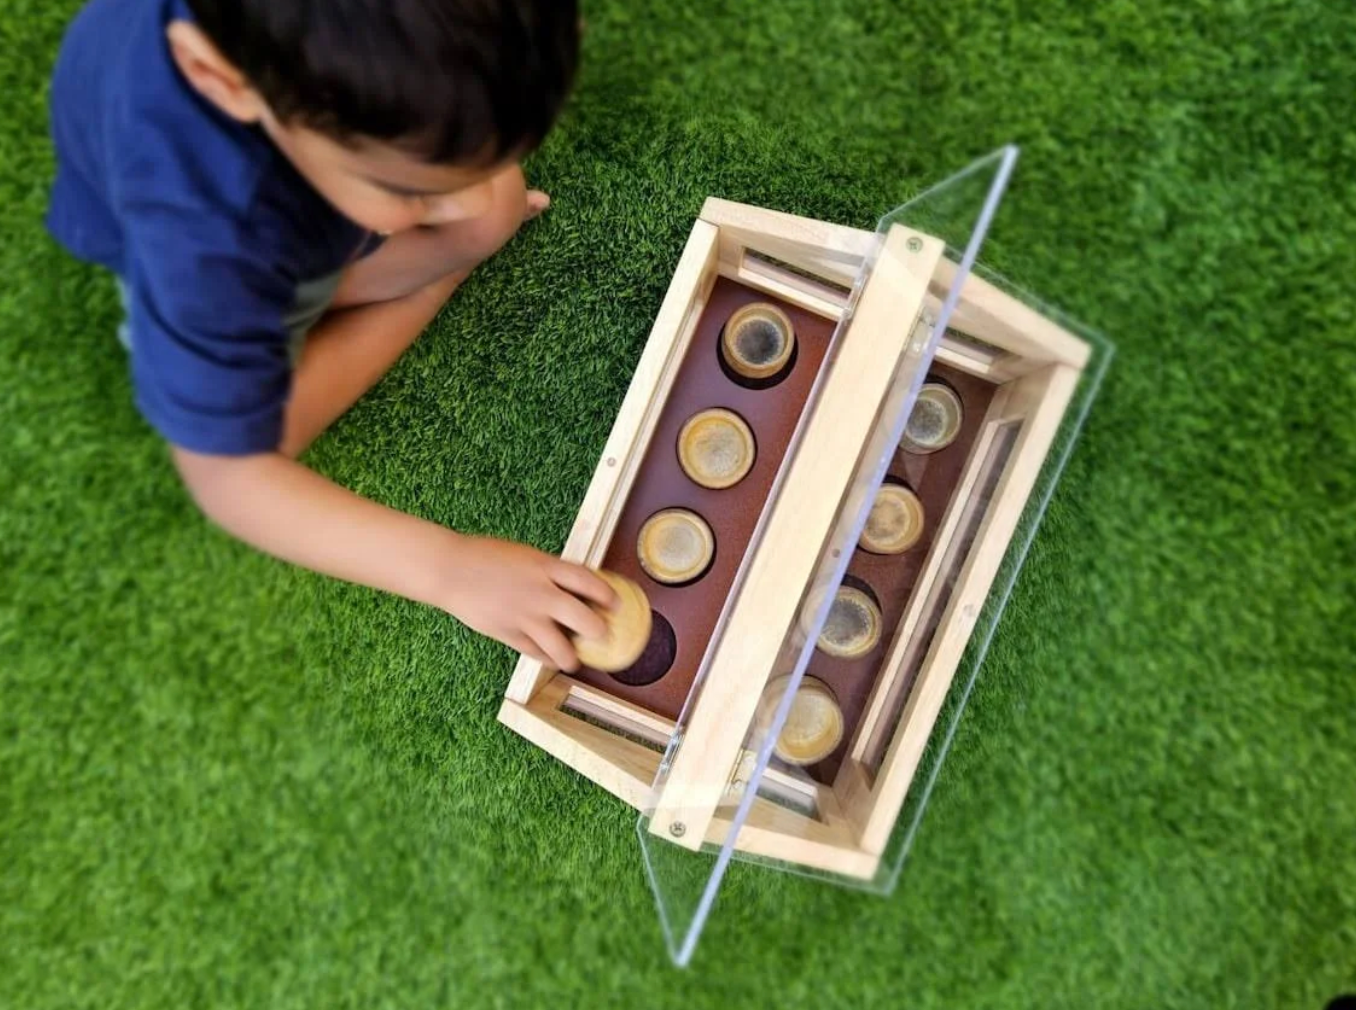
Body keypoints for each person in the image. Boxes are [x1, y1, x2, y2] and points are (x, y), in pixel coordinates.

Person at [45, 0, 616, 670]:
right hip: (214, 248)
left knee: (492, 215)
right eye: (410, 189)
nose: (463, 197)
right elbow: (228, 477)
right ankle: (411, 286)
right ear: (222, 79)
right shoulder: (210, 242)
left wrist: (436, 196)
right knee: (266, 426)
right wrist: (451, 569)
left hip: (289, 178)